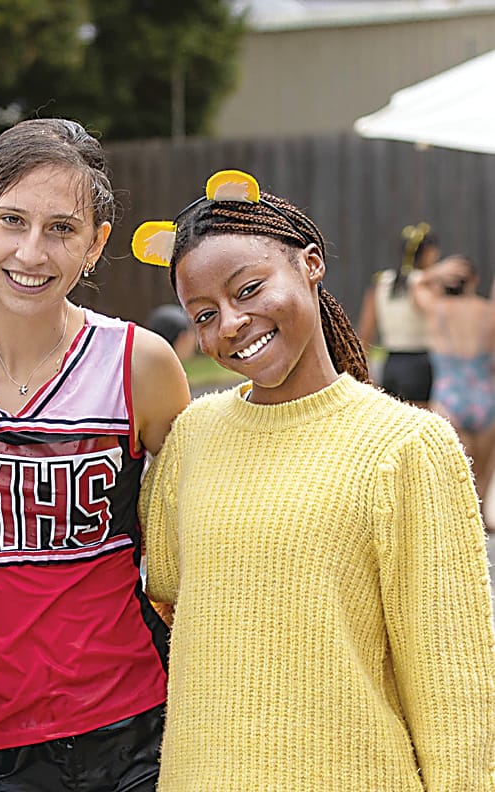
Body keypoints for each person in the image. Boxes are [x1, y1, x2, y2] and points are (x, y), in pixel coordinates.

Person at [133, 169, 495, 791]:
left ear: (311, 263)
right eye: (205, 313)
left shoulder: (408, 446)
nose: (232, 323)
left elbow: (454, 686)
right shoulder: (193, 435)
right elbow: (166, 584)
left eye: (249, 288)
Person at [0, 118, 191, 791]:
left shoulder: (138, 364)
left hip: (137, 725)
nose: (31, 250)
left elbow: (190, 545)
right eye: (12, 220)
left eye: (61, 228)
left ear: (95, 244)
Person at [412, 253, 495, 522]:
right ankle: (480, 520)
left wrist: (436, 271)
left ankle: (460, 524)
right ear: (473, 281)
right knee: (481, 476)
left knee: (455, 474)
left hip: (450, 393)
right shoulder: (488, 311)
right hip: (483, 391)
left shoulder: (436, 309)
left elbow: (416, 284)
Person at [357, 222, 439, 405]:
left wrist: (363, 370)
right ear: (428, 253)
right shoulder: (423, 284)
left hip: (391, 363)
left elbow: (365, 331)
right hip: (418, 363)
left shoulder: (381, 282)